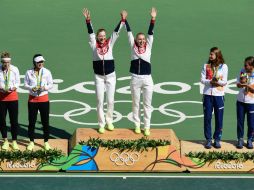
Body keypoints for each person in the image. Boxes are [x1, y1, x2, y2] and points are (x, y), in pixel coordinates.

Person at [82, 8, 127, 134]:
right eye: (100, 36)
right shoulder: (93, 44)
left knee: (110, 100)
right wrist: (88, 20)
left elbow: (116, 32)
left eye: (103, 36)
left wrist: (122, 20)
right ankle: (101, 124)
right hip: (98, 77)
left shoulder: (110, 43)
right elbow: (90, 33)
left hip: (111, 76)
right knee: (100, 101)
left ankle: (109, 121)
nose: (102, 38)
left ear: (105, 37)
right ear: (97, 37)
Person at [124, 7, 157, 136]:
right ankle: (137, 125)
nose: (142, 40)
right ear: (136, 40)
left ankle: (147, 127)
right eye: (139, 39)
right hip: (135, 79)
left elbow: (150, 33)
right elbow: (129, 33)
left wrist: (153, 19)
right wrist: (124, 20)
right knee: (136, 103)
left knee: (147, 105)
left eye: (143, 39)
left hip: (147, 79)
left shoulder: (148, 46)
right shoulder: (133, 46)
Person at [24, 54, 53, 151]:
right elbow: (25, 84)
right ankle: (31, 141)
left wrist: (44, 87)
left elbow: (51, 84)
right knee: (31, 122)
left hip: (44, 99)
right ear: (34, 63)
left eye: (42, 61)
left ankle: (46, 142)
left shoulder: (47, 72)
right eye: (38, 62)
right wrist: (31, 88)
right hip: (32, 100)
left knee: (45, 122)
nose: (41, 63)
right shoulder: (29, 72)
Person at [200, 47, 228, 149]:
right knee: (207, 118)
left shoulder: (224, 67)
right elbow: (202, 80)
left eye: (212, 54)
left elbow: (224, 82)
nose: (210, 56)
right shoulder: (206, 66)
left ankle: (217, 139)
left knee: (219, 118)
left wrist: (217, 82)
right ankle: (208, 139)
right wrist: (210, 82)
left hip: (219, 96)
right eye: (210, 54)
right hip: (207, 95)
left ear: (217, 55)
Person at [0, 51, 20, 150]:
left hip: (13, 98)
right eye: (4, 63)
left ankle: (14, 141)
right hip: (1, 99)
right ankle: (5, 140)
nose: (6, 64)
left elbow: (17, 82)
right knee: (2, 120)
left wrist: (12, 88)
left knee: (14, 121)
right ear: (2, 62)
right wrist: (1, 89)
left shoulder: (15, 69)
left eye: (8, 62)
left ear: (10, 62)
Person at [236, 56, 254, 149]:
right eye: (244, 64)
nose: (244, 66)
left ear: (251, 66)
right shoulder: (242, 71)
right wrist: (241, 84)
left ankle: (250, 139)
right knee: (240, 122)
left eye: (246, 65)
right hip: (240, 101)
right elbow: (238, 84)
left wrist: (247, 85)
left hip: (252, 102)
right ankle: (240, 139)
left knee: (251, 123)